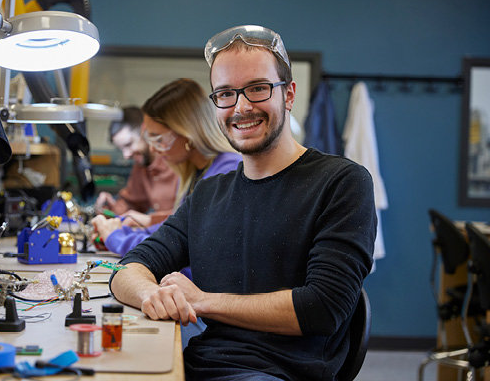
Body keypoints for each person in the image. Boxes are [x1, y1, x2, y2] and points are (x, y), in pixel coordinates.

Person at [110, 25, 376, 380]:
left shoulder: (341, 182)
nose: (241, 107)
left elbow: (323, 307)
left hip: (277, 374)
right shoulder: (208, 193)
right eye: (225, 94)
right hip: (201, 365)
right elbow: (129, 268)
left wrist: (201, 300)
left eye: (257, 88)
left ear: (289, 94)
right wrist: (149, 294)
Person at [91, 79, 242, 261]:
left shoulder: (226, 172)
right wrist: (121, 229)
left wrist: (116, 238)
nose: (153, 149)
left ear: (187, 133)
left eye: (159, 139)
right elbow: (175, 230)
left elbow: (180, 248)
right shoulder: (195, 173)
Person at [94, 106, 178, 228]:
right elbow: (132, 203)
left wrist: (149, 220)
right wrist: (109, 209)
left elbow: (191, 216)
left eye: (129, 144)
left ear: (146, 132)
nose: (126, 155)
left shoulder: (177, 162)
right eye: (121, 149)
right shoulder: (141, 166)